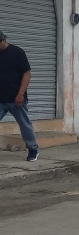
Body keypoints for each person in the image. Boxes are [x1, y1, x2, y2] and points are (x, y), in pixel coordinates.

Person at [0, 30, 39, 161]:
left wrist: (20, 94)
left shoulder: (17, 52)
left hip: (16, 99)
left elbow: (27, 74)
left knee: (24, 125)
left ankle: (33, 149)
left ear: (3, 40)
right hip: (1, 99)